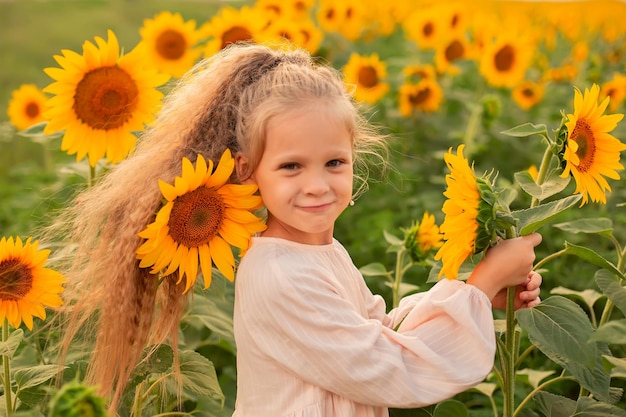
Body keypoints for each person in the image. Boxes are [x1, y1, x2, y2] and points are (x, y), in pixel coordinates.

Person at [52, 42, 542, 415]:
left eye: (334, 162)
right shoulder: (280, 276)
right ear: (247, 171)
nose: (317, 186)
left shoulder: (317, 251)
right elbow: (394, 369)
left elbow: (375, 334)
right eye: (291, 167)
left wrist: (472, 295)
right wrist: (481, 283)